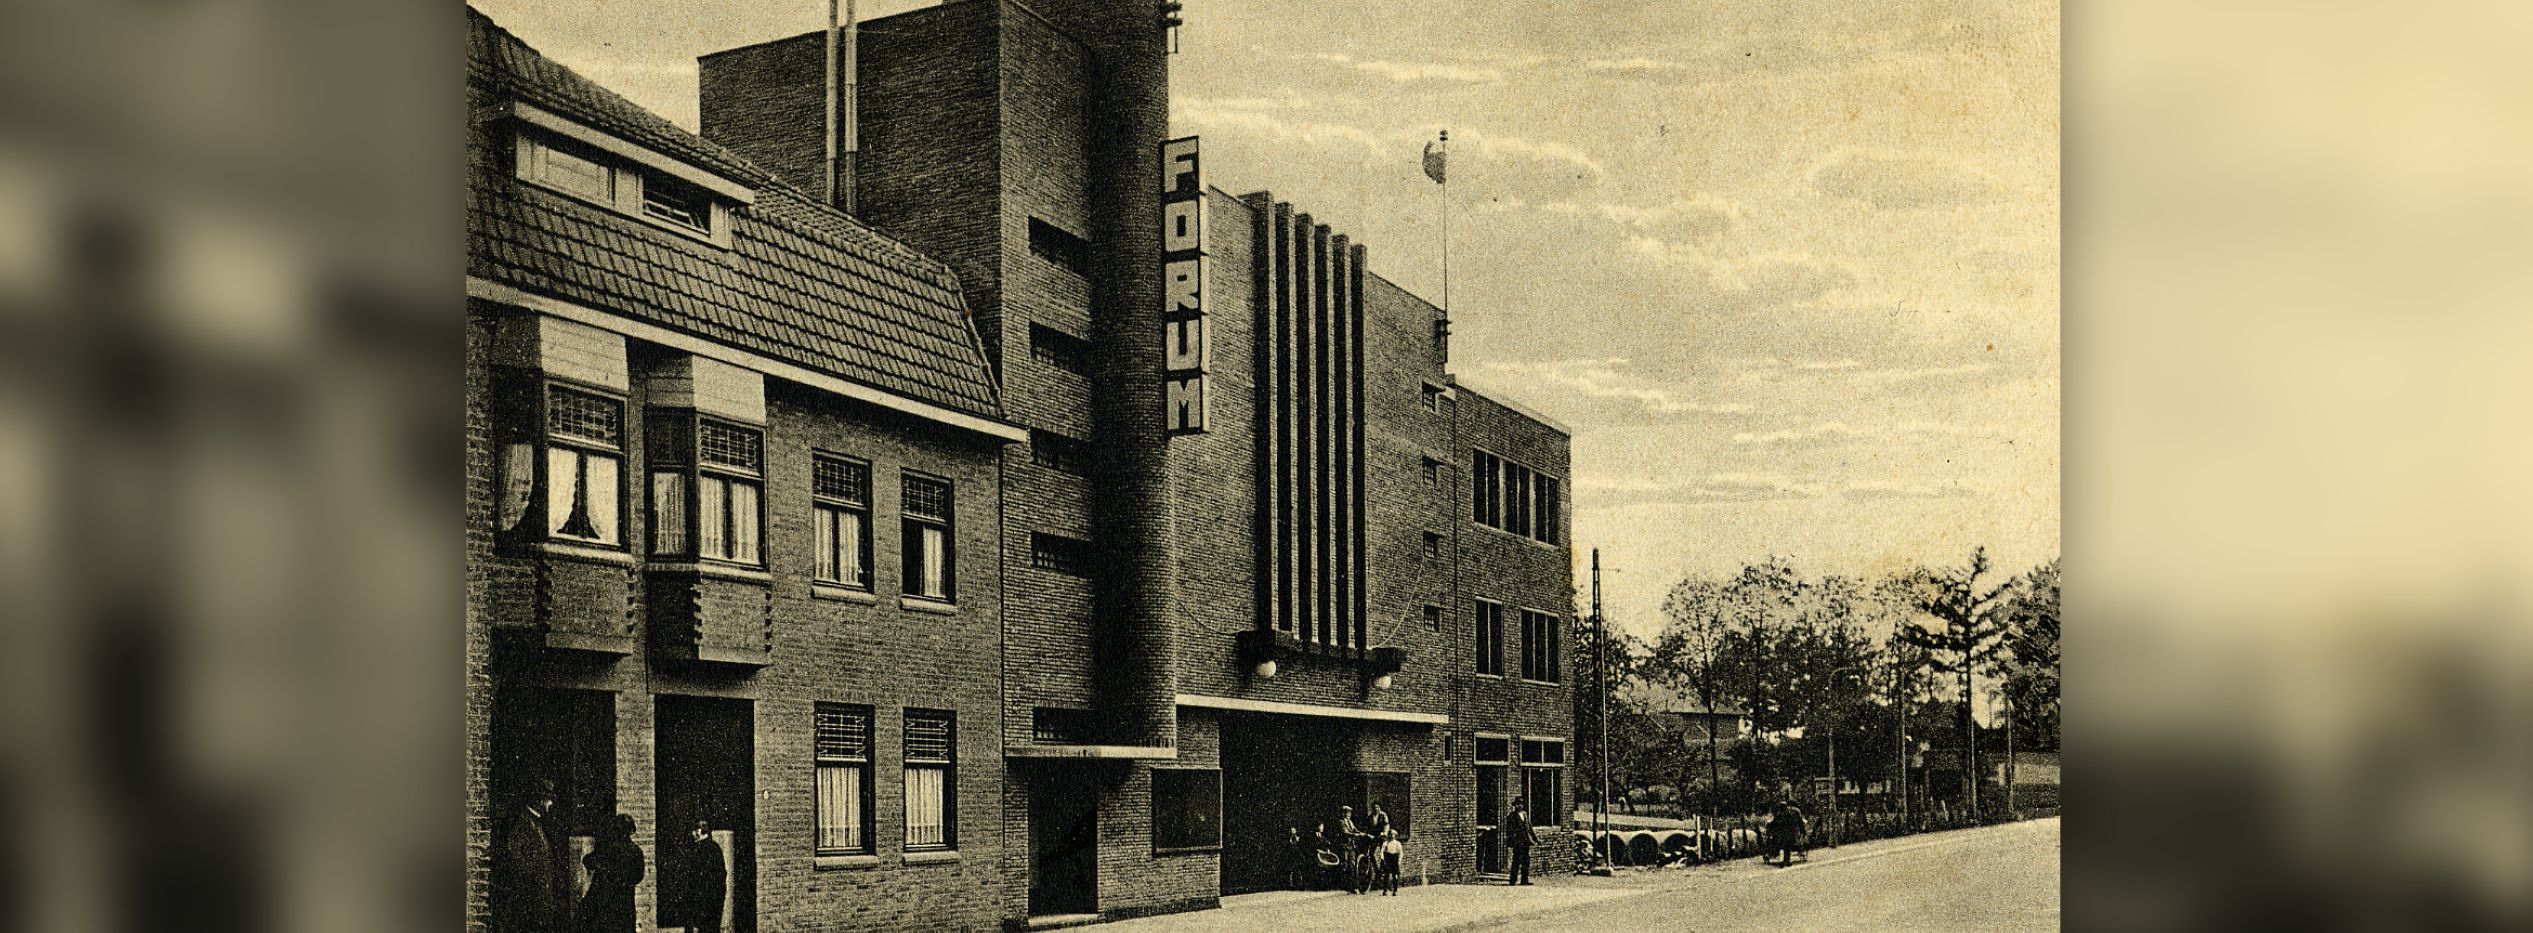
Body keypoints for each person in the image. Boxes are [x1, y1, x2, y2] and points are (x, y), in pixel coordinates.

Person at [494, 778, 564, 933]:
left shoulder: (536, 822)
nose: (550, 804)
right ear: (539, 800)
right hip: (530, 898)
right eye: (548, 800)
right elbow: (516, 857)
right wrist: (534, 878)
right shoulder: (523, 823)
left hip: (540, 897)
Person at [576, 814, 643, 933]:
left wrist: (605, 871)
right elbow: (638, 876)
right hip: (624, 903)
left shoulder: (609, 849)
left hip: (608, 902)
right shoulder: (635, 850)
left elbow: (588, 860)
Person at [679, 820, 726, 933]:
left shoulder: (699, 850)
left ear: (700, 831)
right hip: (713, 899)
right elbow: (722, 874)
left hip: (701, 899)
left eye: (694, 830)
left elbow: (694, 877)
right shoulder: (715, 848)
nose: (692, 834)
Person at [1503, 802, 1534, 886]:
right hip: (1517, 842)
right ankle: (1512, 880)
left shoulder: (1525, 814)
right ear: (1515, 806)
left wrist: (1535, 838)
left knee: (1526, 860)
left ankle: (1524, 880)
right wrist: (1512, 841)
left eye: (1521, 804)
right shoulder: (1511, 816)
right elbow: (1510, 831)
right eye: (1518, 804)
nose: (1520, 806)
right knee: (1516, 861)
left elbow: (1529, 827)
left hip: (1525, 841)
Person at [1376, 828, 1404, 895]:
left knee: (1395, 875)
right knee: (1386, 875)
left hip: (1394, 859)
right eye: (1390, 834)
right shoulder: (1386, 843)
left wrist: (1399, 860)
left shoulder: (1397, 843)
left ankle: (1395, 890)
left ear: (1395, 835)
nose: (1391, 836)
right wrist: (1382, 858)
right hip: (1388, 859)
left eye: (1393, 834)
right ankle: (1385, 890)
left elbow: (1401, 852)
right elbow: (1382, 851)